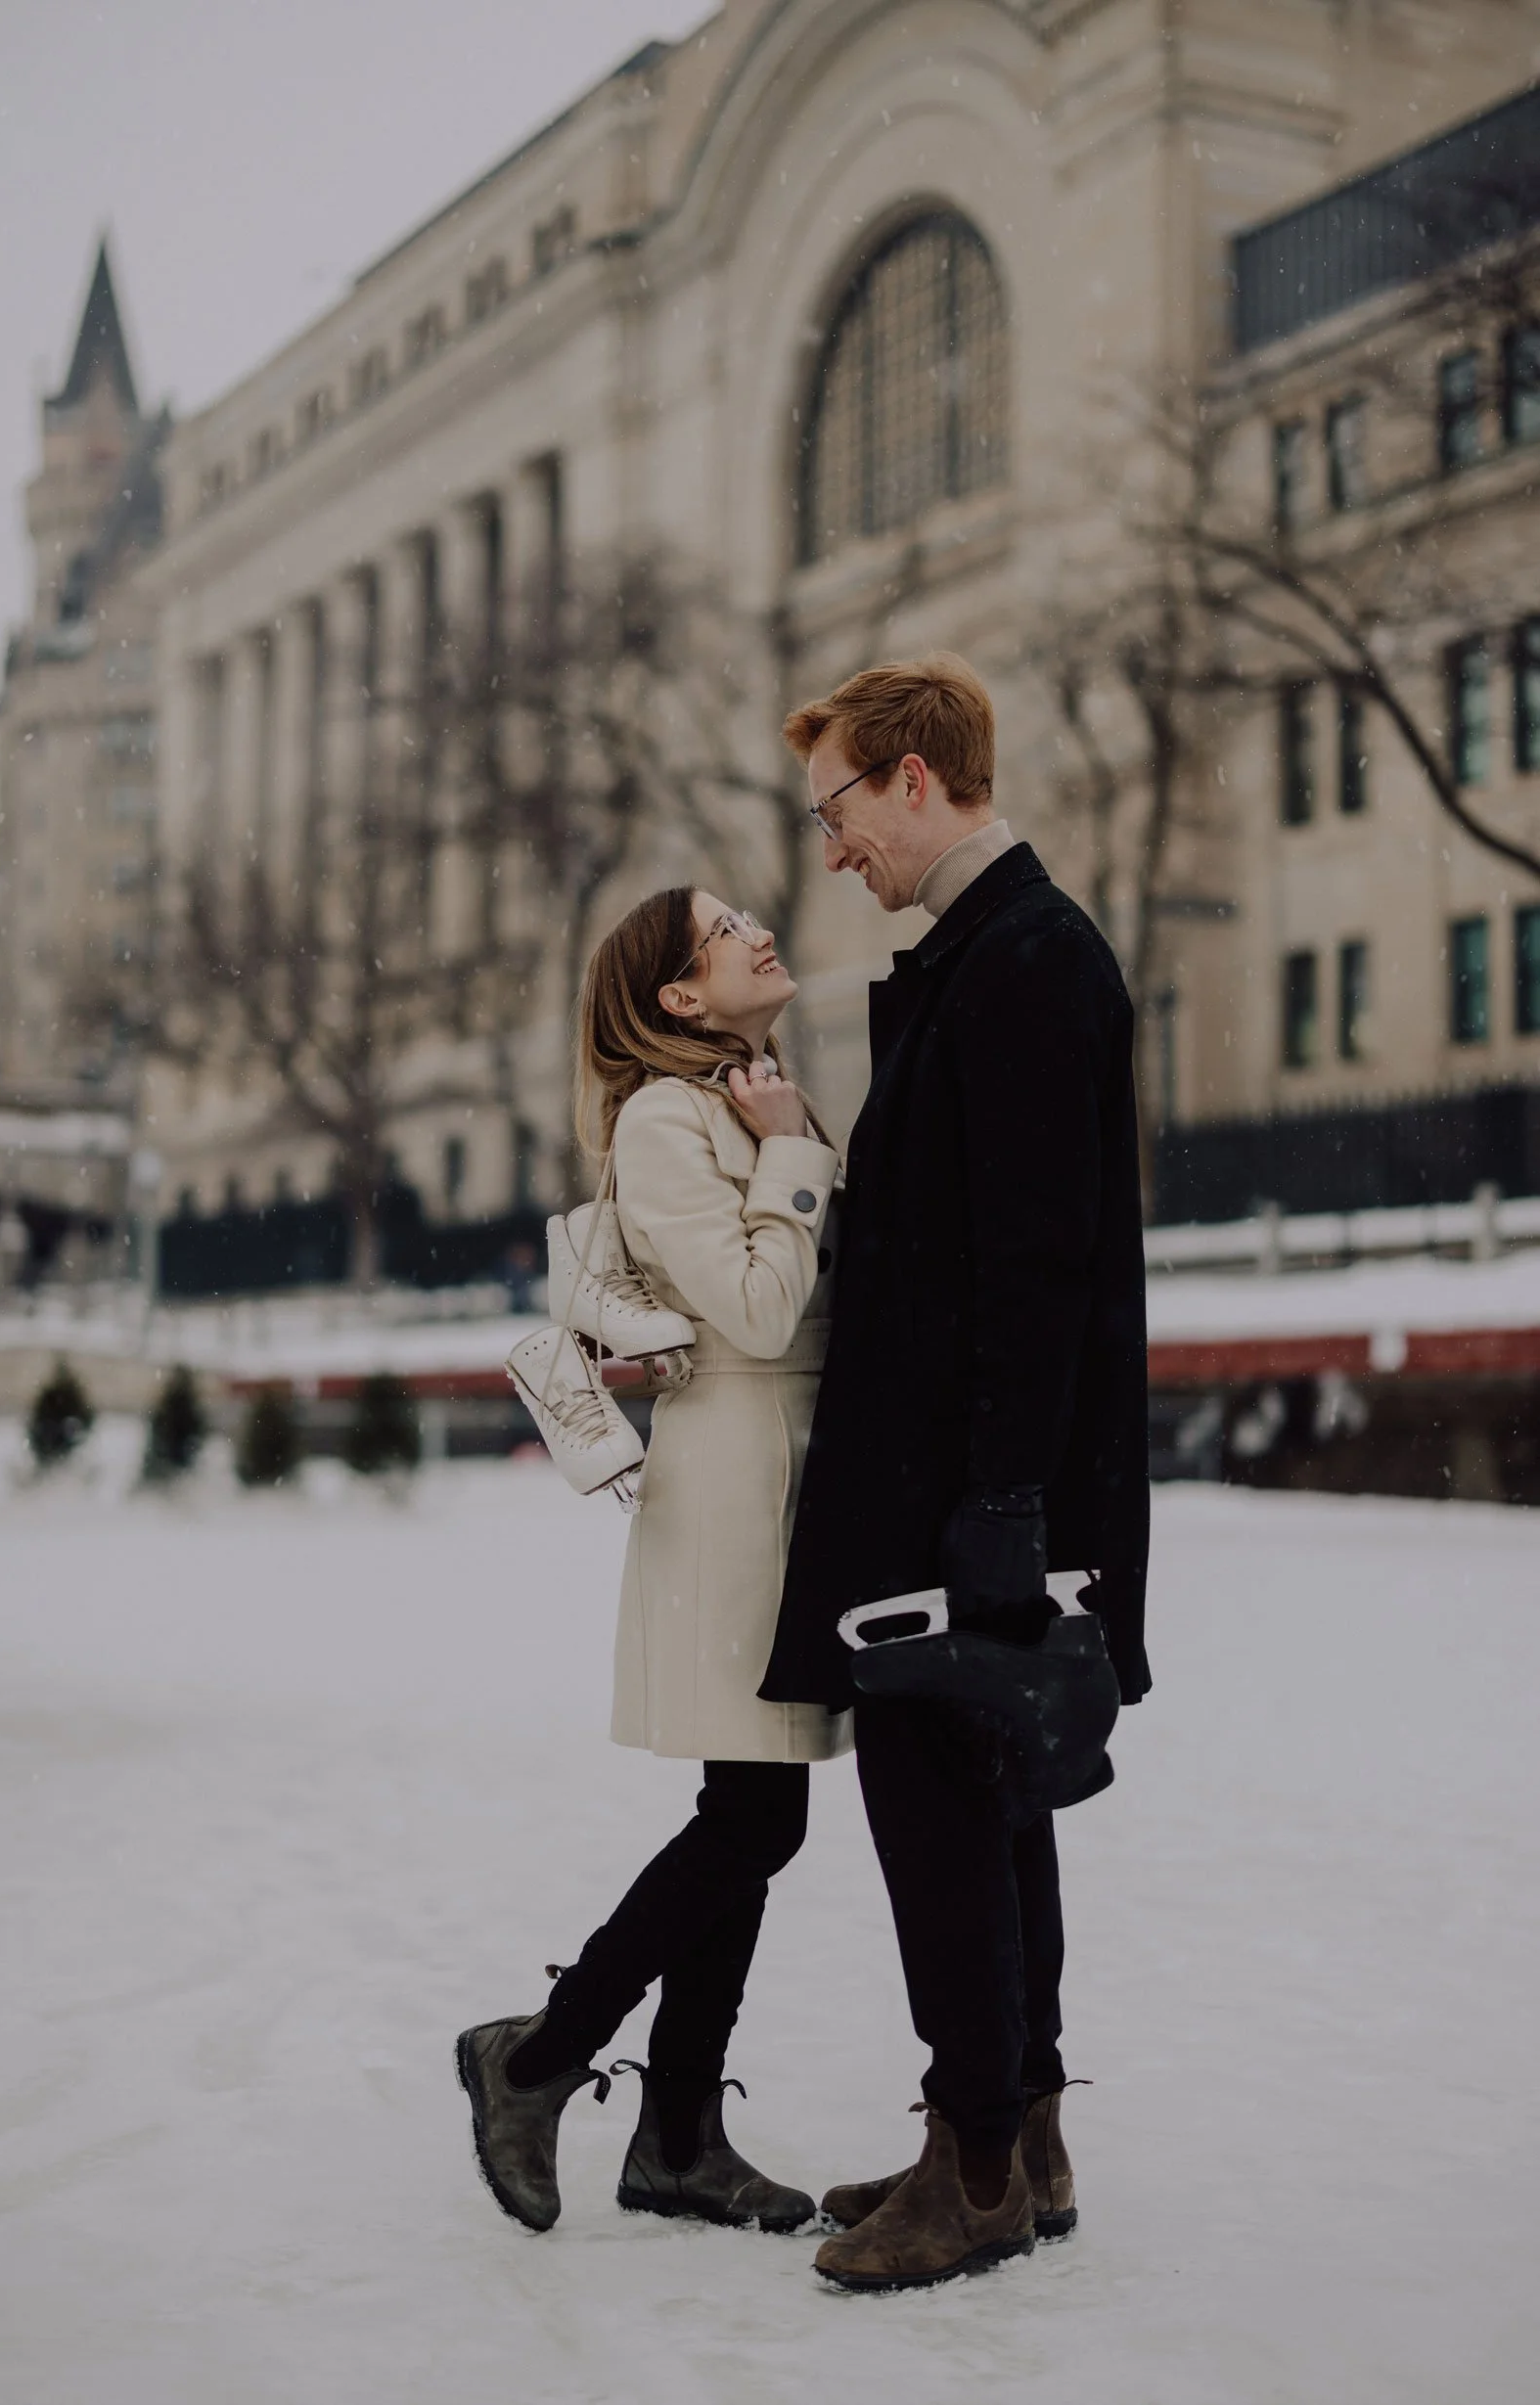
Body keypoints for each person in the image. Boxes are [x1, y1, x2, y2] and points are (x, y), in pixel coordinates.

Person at [757, 654, 1152, 2295]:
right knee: (991, 1809)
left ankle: (973, 2161)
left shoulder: (1028, 963)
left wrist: (997, 1503)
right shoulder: (995, 958)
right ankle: (1016, 2130)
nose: (830, 845)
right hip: (960, 1485)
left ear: (914, 782)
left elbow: (1036, 1264)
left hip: (956, 1499)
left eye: (838, 804)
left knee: (940, 1819)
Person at [457, 886, 850, 2237]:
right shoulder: (664, 1116)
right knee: (754, 1812)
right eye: (723, 927)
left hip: (790, 1465)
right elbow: (750, 1301)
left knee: (755, 1808)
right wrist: (796, 1153)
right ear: (678, 997)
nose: (757, 929)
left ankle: (672, 2129)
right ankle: (541, 2057)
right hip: (735, 1469)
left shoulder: (744, 1093)